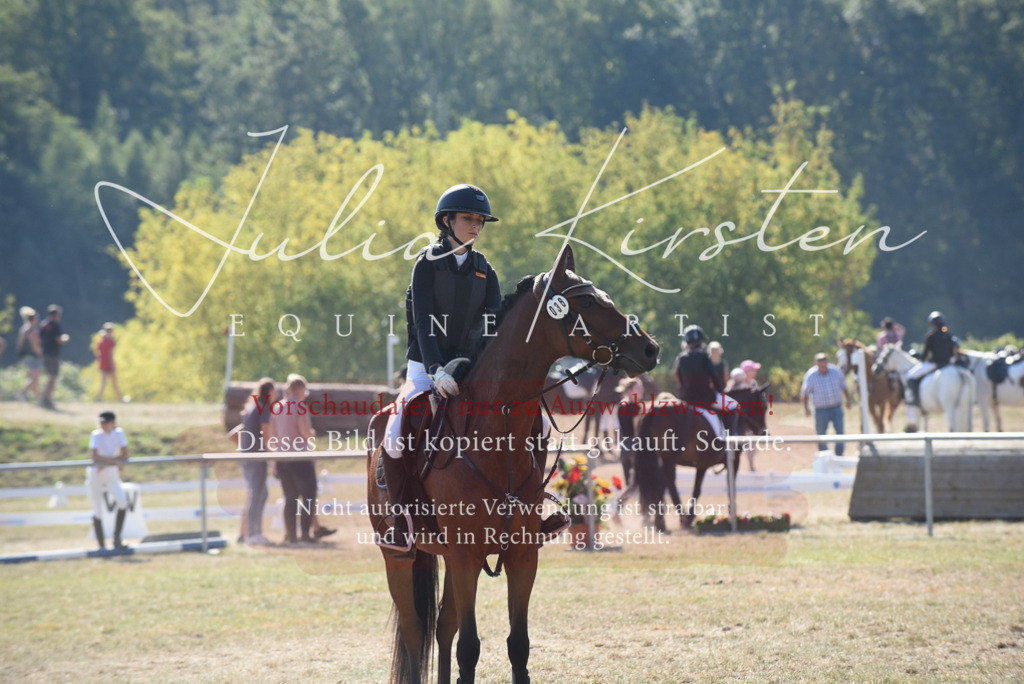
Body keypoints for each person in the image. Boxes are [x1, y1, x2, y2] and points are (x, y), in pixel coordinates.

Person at [378, 184, 505, 554]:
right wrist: (435, 369)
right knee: (395, 433)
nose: (476, 225)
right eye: (468, 218)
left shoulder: (485, 270)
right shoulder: (427, 264)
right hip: (425, 365)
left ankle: (527, 505)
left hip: (469, 370)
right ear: (447, 221)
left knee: (532, 422)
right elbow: (423, 322)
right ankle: (401, 518)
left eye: (480, 220)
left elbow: (493, 324)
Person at [269, 373, 319, 546]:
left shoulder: (278, 407)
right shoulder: (300, 406)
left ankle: (291, 536)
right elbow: (305, 433)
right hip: (300, 458)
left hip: (282, 457)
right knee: (308, 496)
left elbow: (273, 434)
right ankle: (305, 535)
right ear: (301, 389)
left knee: (290, 497)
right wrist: (313, 434)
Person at [672, 325, 740, 445]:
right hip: (706, 398)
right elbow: (714, 376)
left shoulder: (681, 359)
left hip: (687, 399)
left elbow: (679, 378)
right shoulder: (705, 357)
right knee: (734, 406)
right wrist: (720, 390)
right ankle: (731, 438)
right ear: (702, 342)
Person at [231, 377, 276, 546]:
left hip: (247, 456)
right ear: (270, 392)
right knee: (258, 494)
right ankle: (253, 533)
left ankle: (248, 532)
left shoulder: (251, 407)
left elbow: (234, 434)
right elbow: (266, 432)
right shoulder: (263, 407)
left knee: (256, 493)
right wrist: (273, 456)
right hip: (256, 457)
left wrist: (244, 448)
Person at [87, 410, 130, 551]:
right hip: (96, 475)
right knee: (97, 508)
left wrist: (111, 462)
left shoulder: (119, 433)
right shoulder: (96, 434)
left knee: (122, 501)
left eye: (106, 422)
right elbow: (95, 456)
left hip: (111, 474)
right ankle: (102, 545)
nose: (103, 425)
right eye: (101, 422)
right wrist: (115, 461)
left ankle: (117, 538)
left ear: (113, 423)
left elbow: (125, 453)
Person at [801, 352, 853, 455]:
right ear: (817, 364)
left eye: (824, 365)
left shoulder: (836, 372)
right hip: (821, 410)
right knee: (821, 433)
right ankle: (824, 454)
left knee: (840, 432)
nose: (823, 367)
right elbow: (805, 393)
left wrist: (848, 400)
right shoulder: (811, 375)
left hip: (836, 407)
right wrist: (806, 408)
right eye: (821, 365)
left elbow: (844, 387)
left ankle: (839, 453)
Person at [905, 311, 956, 408]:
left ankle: (916, 400)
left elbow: (925, 353)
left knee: (910, 376)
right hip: (947, 364)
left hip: (935, 364)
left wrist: (921, 358)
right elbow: (951, 353)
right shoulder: (949, 336)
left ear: (933, 324)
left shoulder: (931, 335)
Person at [38, 304, 69, 409]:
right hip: (53, 354)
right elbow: (58, 339)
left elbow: (39, 339)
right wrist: (65, 339)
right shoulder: (55, 325)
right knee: (53, 377)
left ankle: (43, 398)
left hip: (44, 353)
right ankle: (46, 399)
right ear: (55, 315)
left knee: (48, 376)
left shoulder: (43, 325)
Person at [15, 306, 43, 402]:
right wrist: (41, 354)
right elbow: (35, 345)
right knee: (35, 378)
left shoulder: (24, 329)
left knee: (34, 378)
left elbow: (19, 344)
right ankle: (21, 393)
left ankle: (38, 399)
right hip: (33, 356)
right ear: (34, 319)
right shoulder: (33, 330)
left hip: (25, 356)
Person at [95, 322, 127, 402]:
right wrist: (113, 366)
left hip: (103, 363)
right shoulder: (110, 342)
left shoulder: (100, 342)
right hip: (109, 363)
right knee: (114, 383)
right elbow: (110, 355)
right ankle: (120, 399)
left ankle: (100, 398)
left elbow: (98, 354)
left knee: (103, 382)